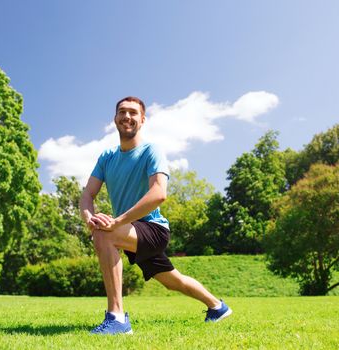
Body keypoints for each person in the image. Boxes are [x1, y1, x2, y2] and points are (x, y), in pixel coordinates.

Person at [79, 96, 232, 335]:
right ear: (115, 118)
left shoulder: (151, 151)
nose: (127, 117)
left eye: (132, 112)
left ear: (142, 119)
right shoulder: (107, 156)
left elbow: (159, 193)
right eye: (122, 112)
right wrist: (89, 217)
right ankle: (217, 307)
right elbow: (88, 194)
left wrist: (117, 222)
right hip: (129, 231)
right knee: (173, 281)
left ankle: (117, 319)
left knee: (104, 234)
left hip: (153, 229)